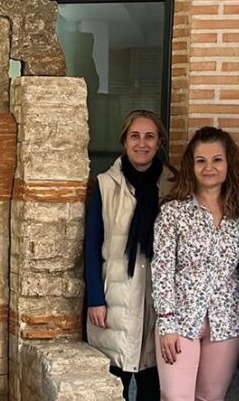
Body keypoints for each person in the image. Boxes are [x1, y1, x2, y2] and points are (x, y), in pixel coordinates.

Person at [151, 126, 239, 401]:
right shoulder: (173, 212)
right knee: (176, 397)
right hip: (180, 322)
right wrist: (166, 323)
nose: (209, 168)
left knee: (210, 398)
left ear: (229, 164)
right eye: (201, 161)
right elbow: (162, 270)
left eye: (217, 160)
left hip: (226, 322)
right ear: (190, 166)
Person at [84, 110, 175, 400]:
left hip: (157, 300)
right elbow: (92, 244)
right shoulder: (105, 184)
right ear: (124, 141)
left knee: (152, 382)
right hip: (115, 299)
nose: (142, 143)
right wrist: (96, 298)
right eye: (135, 136)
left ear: (159, 141)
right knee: (114, 384)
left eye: (150, 136)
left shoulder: (174, 185)